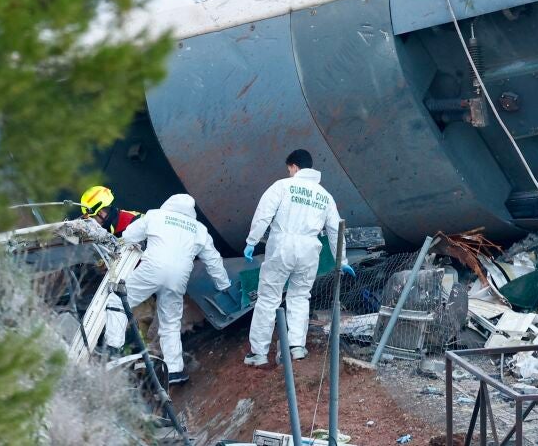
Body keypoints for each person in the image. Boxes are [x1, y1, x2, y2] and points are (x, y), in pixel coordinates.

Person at [102, 194, 230, 385]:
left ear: (168, 204)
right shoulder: (199, 229)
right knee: (170, 322)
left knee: (117, 301)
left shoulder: (155, 216)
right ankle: (176, 371)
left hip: (152, 270)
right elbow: (213, 260)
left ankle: (113, 349)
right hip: (179, 278)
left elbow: (128, 236)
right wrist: (224, 285)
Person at [243, 149, 355, 367]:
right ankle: (296, 347)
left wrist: (251, 241)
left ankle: (258, 353)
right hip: (309, 250)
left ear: (294, 167)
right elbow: (335, 230)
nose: (289, 172)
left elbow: (263, 213)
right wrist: (342, 261)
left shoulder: (283, 186)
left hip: (282, 246)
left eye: (289, 169)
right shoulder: (325, 196)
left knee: (268, 298)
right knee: (300, 296)